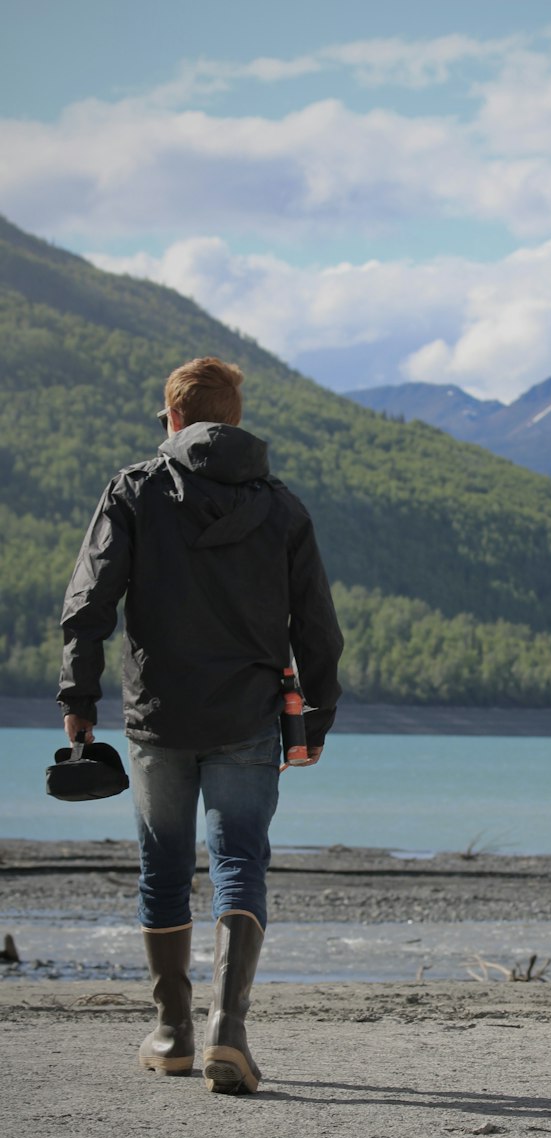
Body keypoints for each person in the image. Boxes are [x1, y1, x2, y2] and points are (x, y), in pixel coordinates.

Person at [58, 356, 343, 1095]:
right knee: (240, 861)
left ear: (175, 418)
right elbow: (317, 627)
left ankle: (172, 1033)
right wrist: (317, 716)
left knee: (163, 865)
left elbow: (89, 606)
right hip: (248, 714)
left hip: (158, 716)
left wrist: (78, 699)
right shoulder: (282, 508)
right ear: (234, 419)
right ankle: (230, 1032)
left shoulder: (136, 491)